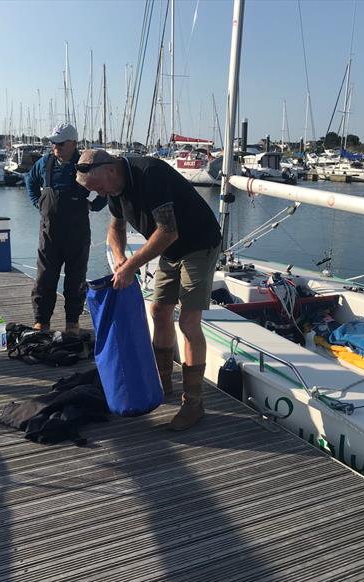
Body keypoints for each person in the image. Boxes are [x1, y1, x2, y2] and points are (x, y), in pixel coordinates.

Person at [75, 149, 221, 431]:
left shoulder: (150, 174)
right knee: (158, 311)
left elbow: (168, 231)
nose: (102, 195)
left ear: (111, 170)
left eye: (99, 187)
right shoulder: (114, 189)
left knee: (189, 323)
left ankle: (193, 402)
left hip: (199, 244)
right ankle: (162, 382)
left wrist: (131, 266)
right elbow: (115, 229)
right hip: (172, 251)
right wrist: (120, 258)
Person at [25, 123, 106, 334]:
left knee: (76, 278)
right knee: (45, 277)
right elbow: (30, 181)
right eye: (53, 143)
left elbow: (106, 188)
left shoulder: (84, 164)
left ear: (73, 143)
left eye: (60, 143)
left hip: (77, 231)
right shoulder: (45, 163)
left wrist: (95, 205)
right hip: (49, 230)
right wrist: (38, 202)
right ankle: (42, 321)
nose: (55, 147)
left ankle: (72, 322)